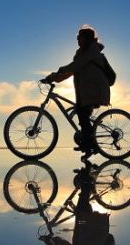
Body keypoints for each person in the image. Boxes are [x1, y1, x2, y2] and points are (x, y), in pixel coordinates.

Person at [42, 25, 112, 155]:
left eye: (80, 37)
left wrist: (56, 73)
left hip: (95, 89)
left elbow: (74, 66)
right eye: (77, 37)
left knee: (82, 114)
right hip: (87, 91)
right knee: (82, 115)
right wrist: (54, 78)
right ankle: (88, 145)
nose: (78, 40)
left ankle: (92, 145)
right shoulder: (82, 53)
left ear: (86, 38)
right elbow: (72, 71)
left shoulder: (91, 51)